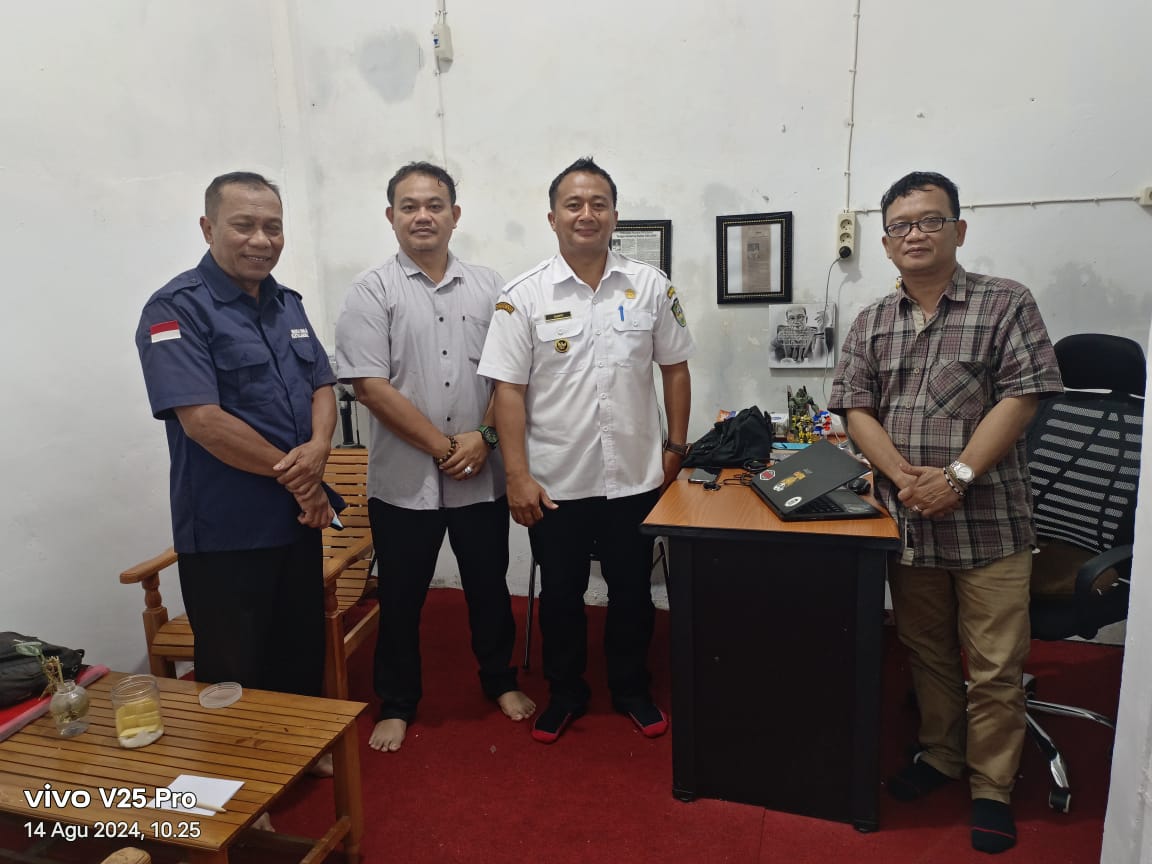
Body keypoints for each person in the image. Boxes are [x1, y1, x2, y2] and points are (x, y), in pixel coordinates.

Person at [829, 171, 1061, 854]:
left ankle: (992, 787)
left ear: (959, 229)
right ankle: (941, 755)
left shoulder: (1005, 303)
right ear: (885, 242)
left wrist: (957, 476)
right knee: (926, 651)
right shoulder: (872, 320)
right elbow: (855, 407)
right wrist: (903, 477)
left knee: (994, 665)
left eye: (931, 220)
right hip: (910, 520)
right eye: (901, 225)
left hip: (990, 522)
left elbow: (1023, 396)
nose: (916, 234)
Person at [478, 157, 695, 744]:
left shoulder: (651, 286)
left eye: (598, 203)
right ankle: (566, 692)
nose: (586, 214)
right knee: (560, 596)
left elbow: (675, 369)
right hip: (556, 481)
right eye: (573, 204)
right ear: (553, 218)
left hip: (636, 477)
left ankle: (631, 689)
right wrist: (517, 475)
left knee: (632, 592)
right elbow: (508, 391)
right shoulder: (523, 296)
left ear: (615, 215)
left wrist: (675, 447)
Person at [334, 161, 535, 753]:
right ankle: (397, 703)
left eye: (434, 205)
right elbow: (370, 386)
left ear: (455, 214)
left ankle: (499, 680)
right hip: (403, 483)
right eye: (409, 206)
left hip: (480, 475)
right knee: (400, 598)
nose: (422, 216)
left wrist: (484, 438)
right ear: (391, 215)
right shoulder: (370, 290)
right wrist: (445, 446)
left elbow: (510, 376)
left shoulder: (492, 287)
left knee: (488, 588)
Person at [135, 171, 338, 702]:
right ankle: (237, 760)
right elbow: (203, 422)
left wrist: (320, 447)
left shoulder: (287, 302)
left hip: (297, 524)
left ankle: (299, 744)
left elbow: (322, 384)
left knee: (300, 658)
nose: (261, 240)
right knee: (235, 674)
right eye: (244, 225)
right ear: (208, 228)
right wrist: (303, 480)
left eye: (273, 227)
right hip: (228, 532)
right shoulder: (174, 309)